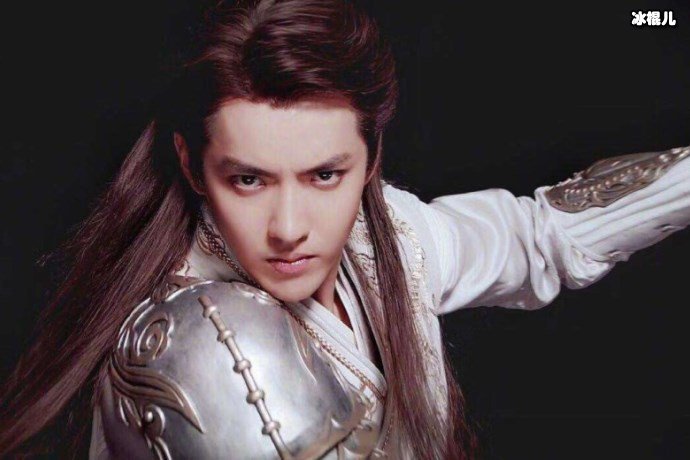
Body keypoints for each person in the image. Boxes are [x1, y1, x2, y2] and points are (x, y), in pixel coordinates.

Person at [1, 0, 689, 458]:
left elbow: (536, 235)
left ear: (370, 160)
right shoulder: (197, 347)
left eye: (324, 175)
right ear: (191, 164)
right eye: (249, 180)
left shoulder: (383, 235)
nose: (289, 229)